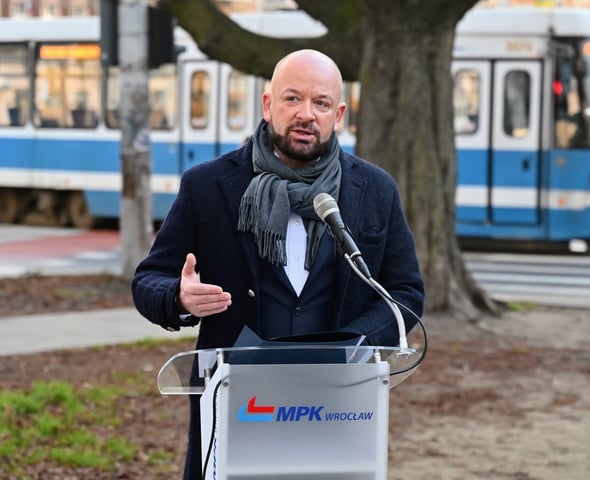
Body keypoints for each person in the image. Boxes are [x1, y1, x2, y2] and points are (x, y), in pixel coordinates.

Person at [131, 49, 425, 480]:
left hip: (338, 407)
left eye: (321, 103)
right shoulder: (209, 186)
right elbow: (148, 281)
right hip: (239, 407)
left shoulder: (375, 190)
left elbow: (404, 293)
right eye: (292, 99)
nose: (306, 114)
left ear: (338, 114)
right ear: (268, 106)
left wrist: (355, 343)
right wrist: (179, 296)